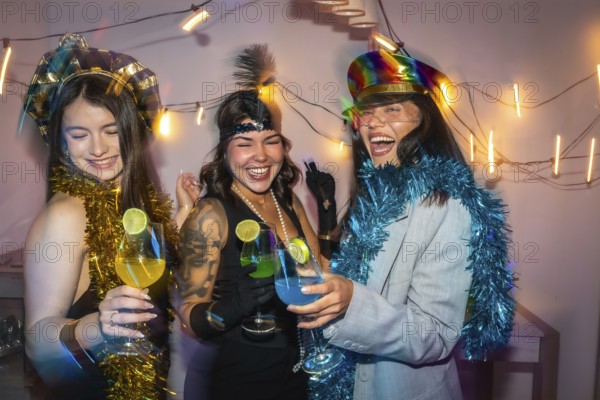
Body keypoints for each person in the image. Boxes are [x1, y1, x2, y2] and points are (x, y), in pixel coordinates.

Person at [289, 50, 515, 399]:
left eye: (392, 109)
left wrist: (353, 303)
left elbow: (437, 336)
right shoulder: (374, 195)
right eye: (367, 112)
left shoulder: (447, 204)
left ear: (424, 120)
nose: (374, 122)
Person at [22, 34, 197, 399]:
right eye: (79, 134)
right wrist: (97, 328)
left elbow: (145, 265)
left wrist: (182, 213)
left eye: (111, 131)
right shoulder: (65, 215)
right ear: (60, 140)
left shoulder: (127, 201)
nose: (98, 149)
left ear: (132, 133)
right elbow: (36, 342)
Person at [176, 45, 317, 400]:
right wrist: (232, 307)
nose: (260, 156)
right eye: (244, 143)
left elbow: (319, 269)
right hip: (238, 379)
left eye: (271, 141)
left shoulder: (287, 199)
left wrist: (329, 224)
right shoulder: (210, 215)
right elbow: (189, 318)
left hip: (297, 370)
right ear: (224, 152)